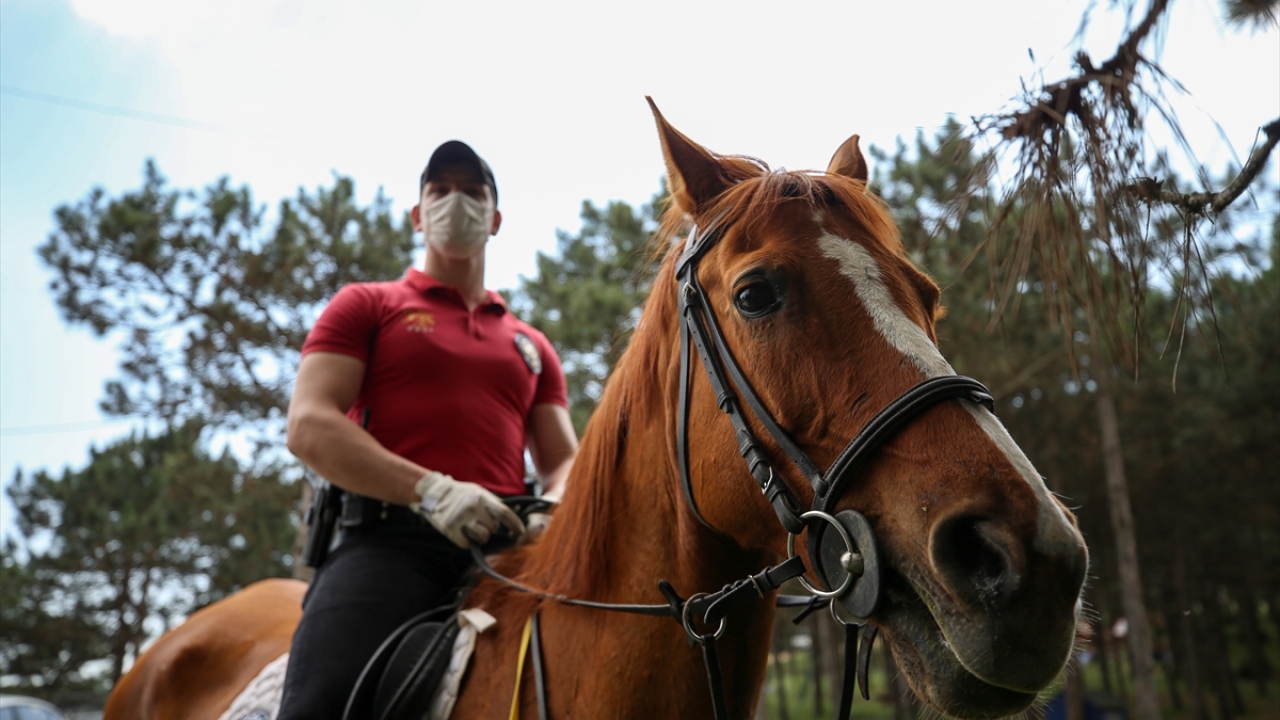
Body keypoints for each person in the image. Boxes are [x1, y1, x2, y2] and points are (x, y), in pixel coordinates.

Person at [276, 140, 578, 719]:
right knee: (323, 702)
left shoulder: (532, 344)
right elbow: (310, 424)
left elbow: (562, 457)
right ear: (418, 216)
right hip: (390, 547)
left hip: (509, 553)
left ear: (495, 219)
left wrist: (554, 506)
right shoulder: (367, 305)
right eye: (439, 191)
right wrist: (431, 489)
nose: (454, 202)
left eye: (472, 191)